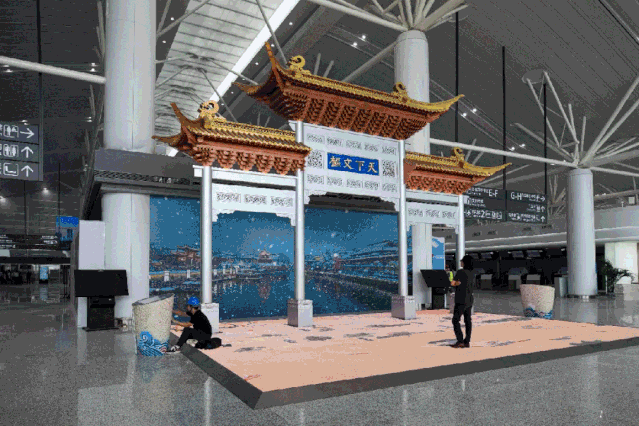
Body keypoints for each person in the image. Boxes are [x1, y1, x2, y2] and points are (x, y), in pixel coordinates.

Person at [450, 255, 474, 348]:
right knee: (468, 320)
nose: (461, 262)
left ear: (465, 262)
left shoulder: (461, 272)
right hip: (470, 299)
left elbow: (452, 283)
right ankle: (467, 341)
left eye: (462, 261)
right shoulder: (472, 273)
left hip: (461, 299)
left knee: (455, 320)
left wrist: (457, 283)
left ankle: (460, 340)